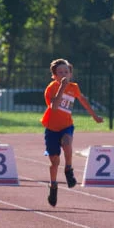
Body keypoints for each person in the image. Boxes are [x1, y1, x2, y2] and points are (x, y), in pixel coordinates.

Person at [41, 59, 103, 207]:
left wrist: (94, 116)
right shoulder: (51, 88)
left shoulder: (74, 88)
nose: (64, 75)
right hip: (51, 128)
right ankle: (53, 186)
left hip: (66, 126)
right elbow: (54, 107)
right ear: (54, 76)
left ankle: (69, 169)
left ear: (70, 74)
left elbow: (83, 100)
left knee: (67, 142)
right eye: (60, 72)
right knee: (54, 162)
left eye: (66, 72)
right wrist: (62, 87)